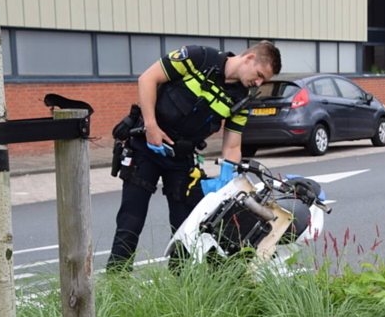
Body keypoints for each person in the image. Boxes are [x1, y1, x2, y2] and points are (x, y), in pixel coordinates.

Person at [106, 40, 282, 271]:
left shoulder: (241, 99)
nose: (258, 83)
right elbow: (147, 79)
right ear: (249, 58)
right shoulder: (197, 57)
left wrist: (228, 179)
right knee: (131, 218)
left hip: (181, 159)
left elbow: (232, 146)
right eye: (259, 75)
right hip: (146, 147)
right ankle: (117, 277)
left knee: (185, 226)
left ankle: (181, 283)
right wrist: (151, 126)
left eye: (263, 80)